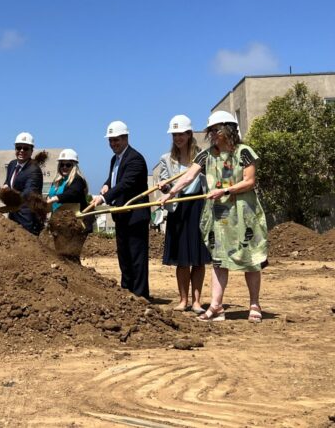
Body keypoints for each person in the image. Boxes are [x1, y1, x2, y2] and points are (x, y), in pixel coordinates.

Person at [159, 111, 268, 323]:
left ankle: (254, 304)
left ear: (229, 129)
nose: (213, 135)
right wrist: (171, 193)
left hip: (244, 213)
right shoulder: (207, 155)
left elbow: (249, 181)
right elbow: (189, 175)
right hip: (219, 216)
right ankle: (216, 306)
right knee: (219, 260)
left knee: (251, 259)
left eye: (216, 130)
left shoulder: (245, 152)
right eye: (211, 131)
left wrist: (226, 191)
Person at [89, 121, 150, 299]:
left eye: (116, 140)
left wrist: (103, 198)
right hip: (121, 215)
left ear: (125, 138)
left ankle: (140, 296)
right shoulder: (115, 159)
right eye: (111, 140)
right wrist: (105, 186)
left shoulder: (135, 159)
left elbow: (126, 184)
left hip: (135, 215)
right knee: (124, 258)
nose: (113, 144)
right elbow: (113, 180)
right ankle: (127, 292)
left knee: (137, 258)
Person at [157, 115, 210, 313]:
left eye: (181, 134)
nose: (177, 138)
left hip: (198, 206)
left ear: (189, 134)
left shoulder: (202, 156)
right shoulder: (166, 159)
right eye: (174, 134)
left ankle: (197, 301)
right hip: (178, 209)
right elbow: (166, 183)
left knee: (198, 257)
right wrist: (164, 187)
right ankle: (183, 300)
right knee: (182, 259)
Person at [1, 132, 44, 235]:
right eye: (19, 147)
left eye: (25, 148)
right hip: (13, 216)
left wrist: (12, 199)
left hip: (27, 218)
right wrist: (6, 186)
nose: (21, 151)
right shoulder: (12, 164)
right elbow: (9, 181)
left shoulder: (34, 170)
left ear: (31, 150)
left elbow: (29, 192)